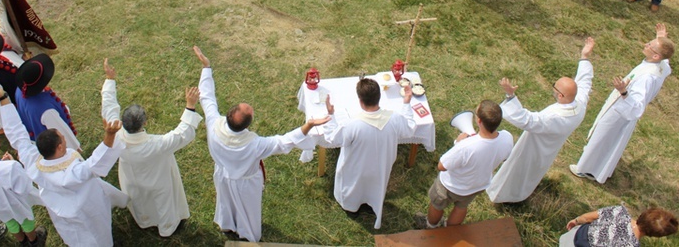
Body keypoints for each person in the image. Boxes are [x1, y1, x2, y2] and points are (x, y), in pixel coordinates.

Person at [194, 46, 329, 242]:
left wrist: (206, 68)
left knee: (226, 201)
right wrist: (307, 126)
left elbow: (207, 98)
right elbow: (285, 142)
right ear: (247, 124)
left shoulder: (214, 124)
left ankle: (227, 224)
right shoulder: (254, 144)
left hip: (222, 174)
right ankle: (248, 234)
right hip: (246, 183)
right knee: (248, 210)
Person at [0, 79, 129, 247]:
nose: (65, 139)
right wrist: (109, 135)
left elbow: (16, 132)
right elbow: (94, 164)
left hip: (60, 211)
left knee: (74, 236)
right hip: (86, 208)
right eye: (63, 138)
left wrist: (3, 98)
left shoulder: (32, 160)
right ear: (59, 147)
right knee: (97, 234)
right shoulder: (72, 173)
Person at [100, 58, 203, 237]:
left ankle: (144, 221)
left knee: (140, 201)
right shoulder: (156, 145)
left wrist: (110, 79)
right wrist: (190, 106)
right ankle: (167, 228)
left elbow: (109, 107)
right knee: (163, 204)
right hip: (158, 181)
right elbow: (182, 133)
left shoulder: (114, 135)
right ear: (145, 122)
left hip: (131, 179)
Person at [487, 38, 595, 204]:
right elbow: (585, 80)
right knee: (534, 171)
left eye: (555, 87)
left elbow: (528, 120)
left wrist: (510, 96)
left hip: (534, 146)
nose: (552, 89)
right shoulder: (579, 103)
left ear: (561, 95)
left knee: (518, 169)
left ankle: (501, 195)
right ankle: (520, 193)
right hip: (550, 147)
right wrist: (584, 57)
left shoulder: (555, 118)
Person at [571, 23, 674, 183]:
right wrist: (660, 37)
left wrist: (623, 91)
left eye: (650, 45)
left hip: (622, 111)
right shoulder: (660, 65)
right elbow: (665, 59)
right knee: (607, 139)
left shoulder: (648, 77)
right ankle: (595, 163)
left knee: (603, 136)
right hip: (622, 107)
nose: (646, 45)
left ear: (656, 56)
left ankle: (586, 168)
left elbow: (638, 105)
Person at [320, 78, 415, 227]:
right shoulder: (394, 119)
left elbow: (332, 139)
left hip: (356, 168)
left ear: (360, 101)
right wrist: (406, 103)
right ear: (379, 97)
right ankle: (372, 204)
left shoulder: (353, 125)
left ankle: (352, 208)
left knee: (354, 187)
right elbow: (409, 129)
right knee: (374, 186)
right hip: (380, 167)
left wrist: (331, 114)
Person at [414, 100, 513, 228]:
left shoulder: (466, 146)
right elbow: (504, 157)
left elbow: (442, 166)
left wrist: (458, 143)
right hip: (477, 185)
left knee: (437, 204)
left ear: (479, 121)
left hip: (451, 186)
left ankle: (430, 225)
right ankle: (450, 231)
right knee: (461, 207)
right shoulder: (507, 137)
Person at [14, 53, 80, 151]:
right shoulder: (46, 110)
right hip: (54, 148)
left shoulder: (20, 90)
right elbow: (62, 133)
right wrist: (75, 149)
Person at [559, 206, 678, 246]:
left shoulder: (619, 211)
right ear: (655, 235)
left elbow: (586, 218)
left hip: (572, 239)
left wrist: (575, 221)